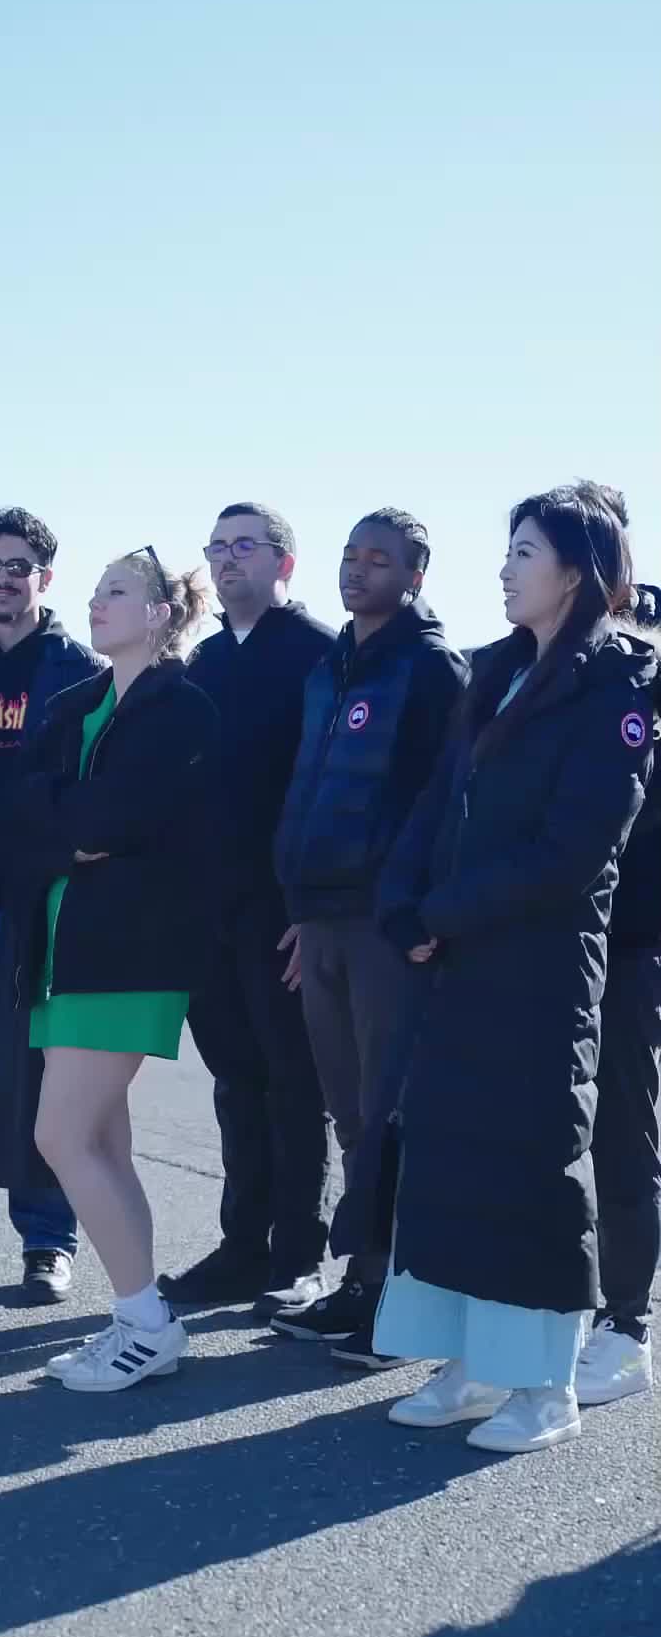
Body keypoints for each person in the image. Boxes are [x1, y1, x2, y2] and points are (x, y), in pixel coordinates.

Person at [372, 482, 655, 1453]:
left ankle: (544, 1384)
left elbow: (576, 848)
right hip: (461, 956)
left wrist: (442, 913)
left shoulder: (619, 683)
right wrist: (402, 903)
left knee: (534, 1162)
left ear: (576, 572)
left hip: (544, 963)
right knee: (451, 1148)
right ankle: (463, 1359)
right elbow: (435, 803)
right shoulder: (493, 670)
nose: (503, 569)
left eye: (524, 552)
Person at [9, 548, 220, 1391]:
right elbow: (26, 810)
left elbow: (118, 820)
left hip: (132, 950)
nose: (97, 604)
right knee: (101, 1140)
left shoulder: (185, 710)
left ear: (162, 613)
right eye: (95, 592)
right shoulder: (74, 705)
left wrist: (72, 827)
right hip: (61, 946)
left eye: (118, 592)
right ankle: (139, 1317)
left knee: (60, 1136)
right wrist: (72, 834)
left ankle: (147, 1322)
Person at [270, 510, 468, 1366]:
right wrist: (299, 906)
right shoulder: (329, 668)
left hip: (385, 928)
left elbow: (449, 803)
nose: (358, 571)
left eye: (379, 560)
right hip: (319, 918)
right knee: (351, 1112)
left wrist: (421, 912)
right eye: (351, 556)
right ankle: (362, 1280)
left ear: (416, 575)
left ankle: (399, 1295)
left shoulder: (433, 668)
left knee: (391, 1114)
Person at [158, 504, 336, 1315]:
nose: (229, 560)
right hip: (208, 912)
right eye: (218, 548)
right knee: (236, 1081)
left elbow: (333, 787)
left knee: (294, 1084)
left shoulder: (320, 655)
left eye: (246, 546)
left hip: (284, 912)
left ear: (283, 563)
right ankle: (242, 1248)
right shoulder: (203, 662)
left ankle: (299, 1257)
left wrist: (312, 906)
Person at [0, 508, 106, 1304]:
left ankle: (47, 1242)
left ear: (45, 577)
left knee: (42, 1077)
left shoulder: (77, 668)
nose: (3, 579)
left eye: (19, 566)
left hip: (39, 900)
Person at [577, 570, 661, 1405]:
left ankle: (628, 1324)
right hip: (560, 941)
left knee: (624, 1135)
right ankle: (566, 1304)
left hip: (635, 946)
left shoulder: (644, 682)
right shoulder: (554, 677)